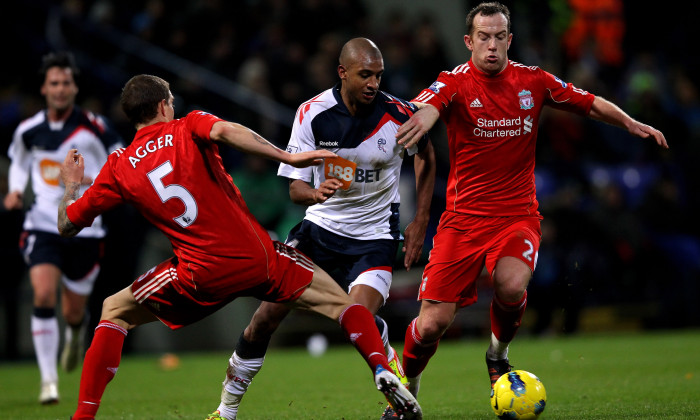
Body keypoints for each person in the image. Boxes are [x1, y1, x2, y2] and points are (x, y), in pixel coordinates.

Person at [58, 74, 422, 420]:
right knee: (344, 306)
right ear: (164, 105)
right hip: (257, 259)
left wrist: (71, 187)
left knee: (113, 310)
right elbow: (227, 130)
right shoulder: (188, 125)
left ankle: (84, 414)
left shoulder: (118, 166)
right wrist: (288, 157)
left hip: (199, 275)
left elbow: (67, 224)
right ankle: (382, 369)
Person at [385, 2, 669, 417]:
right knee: (430, 326)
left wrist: (629, 122)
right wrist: (426, 119)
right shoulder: (454, 83)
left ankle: (497, 354)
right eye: (484, 37)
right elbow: (428, 105)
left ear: (510, 40)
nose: (492, 45)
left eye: (500, 36)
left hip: (517, 216)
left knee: (513, 285)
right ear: (469, 41)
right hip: (462, 222)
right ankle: (407, 391)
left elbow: (587, 102)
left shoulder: (532, 81)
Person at [206, 37, 436, 420]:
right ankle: (225, 410)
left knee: (356, 319)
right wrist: (314, 193)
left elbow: (425, 155)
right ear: (342, 72)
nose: (373, 84)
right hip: (319, 233)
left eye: (378, 75)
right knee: (264, 319)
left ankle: (395, 397)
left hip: (374, 239)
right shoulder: (312, 113)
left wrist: (421, 220)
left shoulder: (398, 115)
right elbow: (295, 188)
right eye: (365, 75)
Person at [3, 51, 123, 404]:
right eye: (53, 83)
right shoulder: (28, 130)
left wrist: (99, 182)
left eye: (65, 83)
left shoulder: (95, 127)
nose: (59, 89)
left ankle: (74, 333)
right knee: (42, 294)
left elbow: (122, 159)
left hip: (85, 226)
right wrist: (13, 190)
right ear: (44, 87)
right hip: (42, 222)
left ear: (74, 87)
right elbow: (19, 164)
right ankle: (49, 381)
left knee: (73, 311)